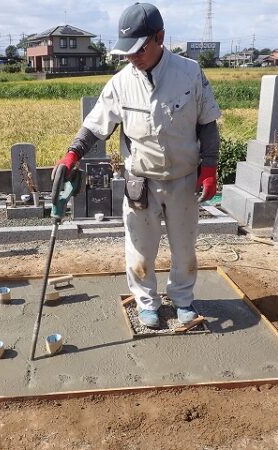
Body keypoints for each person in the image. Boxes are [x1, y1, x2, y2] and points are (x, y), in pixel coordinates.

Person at [54, 2, 221, 328]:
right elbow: (95, 126)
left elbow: (208, 124)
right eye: (127, 51)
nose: (132, 57)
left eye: (139, 49)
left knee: (184, 249)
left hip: (183, 179)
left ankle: (183, 300)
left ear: (160, 37)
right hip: (141, 181)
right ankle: (147, 303)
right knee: (140, 252)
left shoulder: (190, 73)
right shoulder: (120, 83)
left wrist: (210, 168)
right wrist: (71, 154)